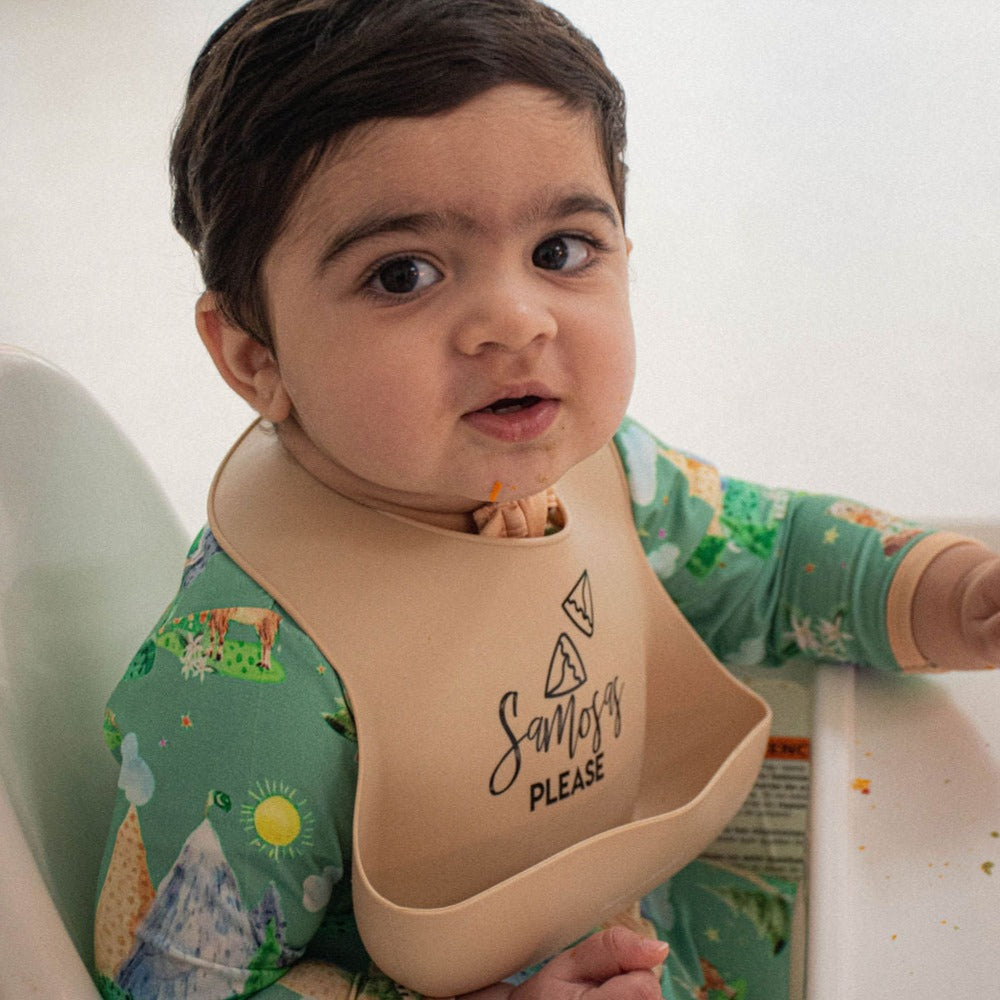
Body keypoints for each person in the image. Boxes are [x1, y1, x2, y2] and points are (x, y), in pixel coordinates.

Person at [92, 1, 1000, 998]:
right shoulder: (248, 684)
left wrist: (957, 595)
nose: (515, 321)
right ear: (252, 357)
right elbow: (172, 983)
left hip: (663, 926)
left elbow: (775, 560)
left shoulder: (604, 474)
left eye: (560, 250)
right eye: (403, 274)